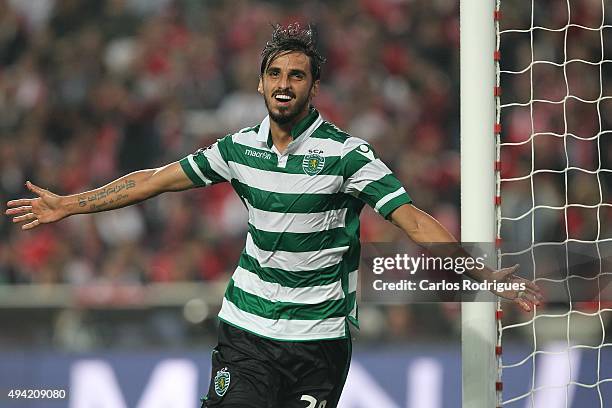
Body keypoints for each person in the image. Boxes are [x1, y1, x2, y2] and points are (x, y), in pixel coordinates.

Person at [5, 23, 542, 408]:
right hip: (248, 333)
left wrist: (481, 275)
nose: (284, 84)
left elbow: (415, 221)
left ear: (313, 87)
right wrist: (68, 205)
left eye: (297, 75)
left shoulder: (347, 155)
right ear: (261, 83)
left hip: (320, 342)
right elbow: (152, 180)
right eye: (275, 74)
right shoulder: (238, 149)